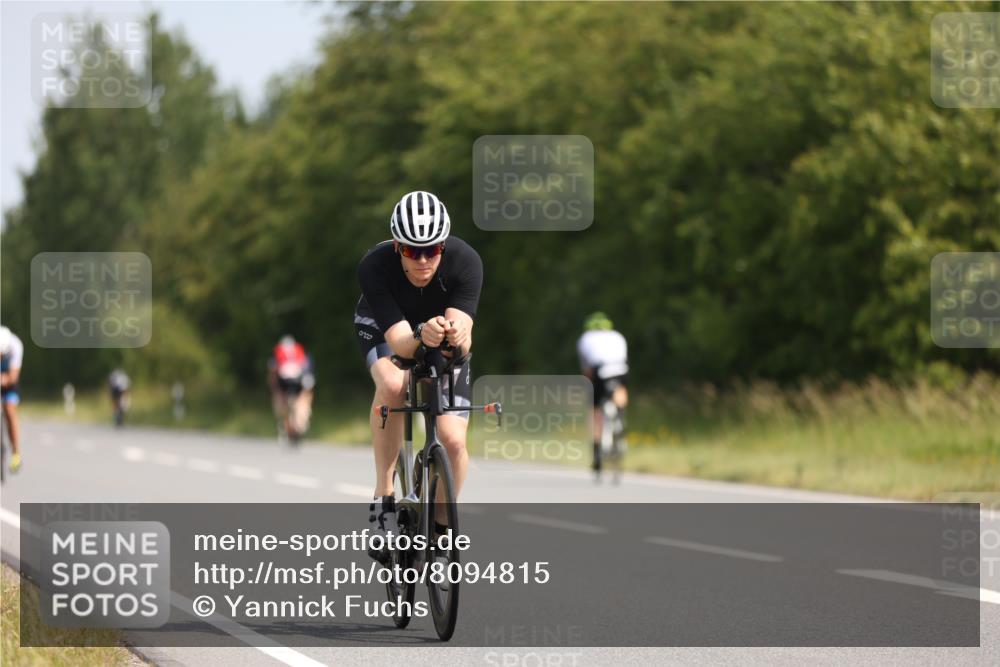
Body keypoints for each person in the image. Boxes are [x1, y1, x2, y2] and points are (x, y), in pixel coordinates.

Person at [354, 190, 482, 557]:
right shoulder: (374, 267)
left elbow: (463, 342)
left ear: (444, 246)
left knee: (453, 440)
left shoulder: (466, 262)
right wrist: (420, 333)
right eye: (412, 251)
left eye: (432, 250)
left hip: (435, 330)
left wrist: (453, 336)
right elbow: (400, 344)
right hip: (386, 328)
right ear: (397, 247)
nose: (424, 261)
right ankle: (384, 496)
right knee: (394, 384)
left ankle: (440, 529)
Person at [577, 312, 629, 473]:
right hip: (620, 370)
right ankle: (620, 415)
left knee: (595, 410)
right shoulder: (618, 336)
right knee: (620, 390)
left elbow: (586, 370)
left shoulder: (585, 338)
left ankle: (597, 451)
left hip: (599, 371)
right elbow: (624, 359)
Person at [267, 335, 315, 440]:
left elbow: (272, 377)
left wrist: (275, 391)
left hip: (287, 382)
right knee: (302, 402)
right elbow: (308, 382)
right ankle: (299, 423)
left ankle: (290, 424)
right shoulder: (300, 353)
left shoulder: (278, 355)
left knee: (283, 405)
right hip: (299, 382)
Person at [0, 326, 24, 472]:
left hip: (9, 381)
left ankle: (16, 452)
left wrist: (5, 379)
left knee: (9, 409)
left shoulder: (16, 345)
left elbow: (14, 376)